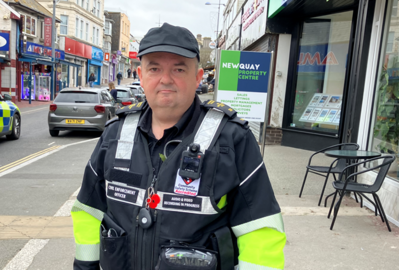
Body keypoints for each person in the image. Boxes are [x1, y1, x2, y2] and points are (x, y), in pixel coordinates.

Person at [71, 23, 286, 270]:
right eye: (154, 68)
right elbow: (89, 211)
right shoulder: (114, 134)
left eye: (179, 68)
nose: (165, 79)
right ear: (140, 76)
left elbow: (259, 230)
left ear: (197, 77)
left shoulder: (232, 139)